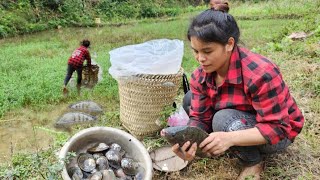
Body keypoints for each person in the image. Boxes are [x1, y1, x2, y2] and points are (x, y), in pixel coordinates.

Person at [167, 2, 305, 180]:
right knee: (189, 99)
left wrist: (229, 138)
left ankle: (253, 161)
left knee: (222, 119)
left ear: (229, 44)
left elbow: (278, 128)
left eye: (207, 51)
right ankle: (224, 138)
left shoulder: (261, 74)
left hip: (279, 134)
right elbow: (199, 118)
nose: (200, 58)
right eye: (195, 51)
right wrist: (190, 141)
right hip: (243, 117)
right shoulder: (201, 76)